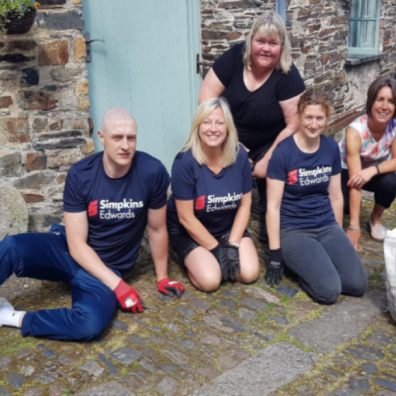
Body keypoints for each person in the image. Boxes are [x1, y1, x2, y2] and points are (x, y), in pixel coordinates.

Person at [0, 108, 185, 341]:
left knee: (89, 326)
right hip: (69, 252)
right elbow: (76, 245)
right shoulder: (81, 174)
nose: (125, 145)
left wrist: (162, 277)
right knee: (12, 247)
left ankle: (10, 317)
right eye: (117, 137)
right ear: (102, 137)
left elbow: (157, 228)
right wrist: (119, 287)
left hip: (108, 268)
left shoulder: (152, 172)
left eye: (131, 137)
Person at [199, 12, 305, 239]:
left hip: (269, 140)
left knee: (274, 165)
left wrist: (266, 161)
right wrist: (230, 142)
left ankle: (271, 217)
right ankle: (214, 216)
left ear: (282, 47)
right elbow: (206, 98)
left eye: (273, 43)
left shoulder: (287, 75)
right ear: (251, 42)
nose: (266, 48)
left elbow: (294, 125)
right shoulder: (234, 58)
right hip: (227, 133)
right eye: (261, 41)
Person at [265, 90, 367, 304]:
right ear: (299, 117)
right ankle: (298, 268)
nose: (313, 124)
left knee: (357, 285)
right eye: (308, 117)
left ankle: (319, 261)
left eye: (319, 118)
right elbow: (272, 207)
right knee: (329, 292)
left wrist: (338, 235)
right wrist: (275, 254)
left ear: (326, 119)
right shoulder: (283, 153)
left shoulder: (330, 148)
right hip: (294, 230)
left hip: (326, 225)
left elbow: (336, 197)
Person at [167, 98, 260, 292]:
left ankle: (216, 255)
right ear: (197, 127)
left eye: (219, 122)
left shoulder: (239, 156)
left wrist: (232, 246)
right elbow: (185, 218)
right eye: (206, 122)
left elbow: (245, 205)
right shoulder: (184, 162)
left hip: (227, 226)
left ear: (228, 128)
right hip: (191, 231)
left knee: (249, 274)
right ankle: (187, 258)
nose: (213, 128)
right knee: (211, 281)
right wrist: (217, 250)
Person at [339, 76, 396, 248]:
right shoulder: (355, 131)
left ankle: (375, 220)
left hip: (372, 172)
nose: (385, 107)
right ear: (371, 101)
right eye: (380, 99)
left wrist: (372, 171)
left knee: (391, 181)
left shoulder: (394, 126)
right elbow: (355, 180)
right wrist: (354, 226)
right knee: (344, 207)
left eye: (391, 101)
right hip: (345, 174)